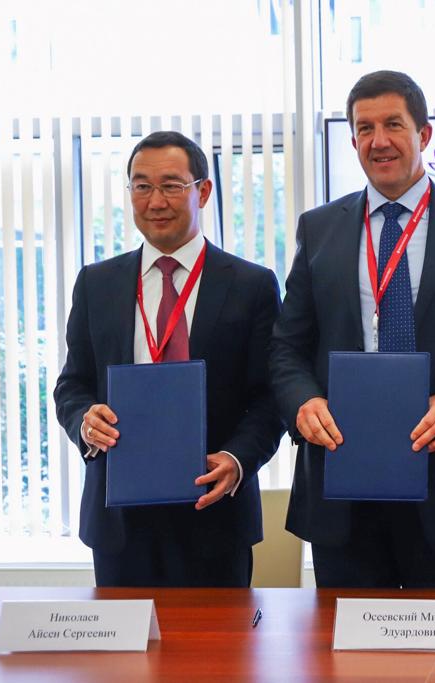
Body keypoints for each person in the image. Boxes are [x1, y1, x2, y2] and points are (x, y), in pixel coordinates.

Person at [270, 70, 435, 588]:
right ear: (353, 141)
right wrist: (303, 402)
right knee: (344, 640)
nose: (379, 140)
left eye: (393, 124)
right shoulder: (319, 228)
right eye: (364, 128)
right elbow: (286, 347)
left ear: (424, 133)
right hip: (340, 483)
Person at [54, 131, 283, 587]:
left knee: (219, 639)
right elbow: (72, 385)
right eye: (142, 186)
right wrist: (84, 420)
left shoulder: (251, 285)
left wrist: (238, 458)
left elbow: (271, 396)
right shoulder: (97, 284)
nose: (155, 201)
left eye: (171, 186)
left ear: (203, 191)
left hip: (214, 513)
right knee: (125, 636)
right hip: (119, 522)